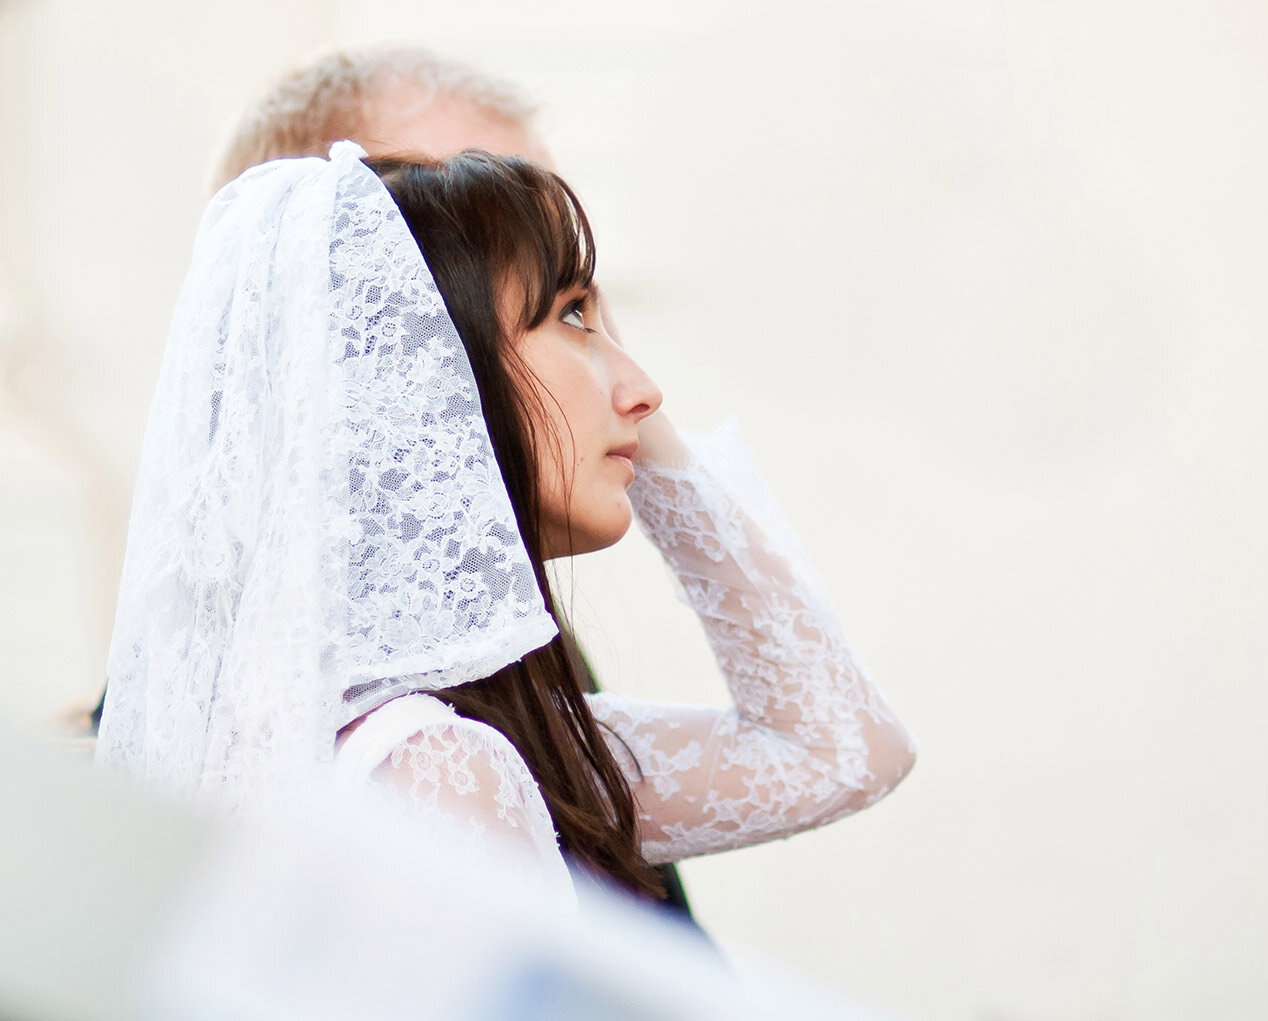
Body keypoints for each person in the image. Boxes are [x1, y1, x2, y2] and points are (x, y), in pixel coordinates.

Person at [95, 141, 915, 907]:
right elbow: (839, 751)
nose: (643, 388)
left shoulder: (391, 738)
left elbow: (842, 751)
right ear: (425, 382)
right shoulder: (440, 768)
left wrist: (615, 413)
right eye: (569, 315)